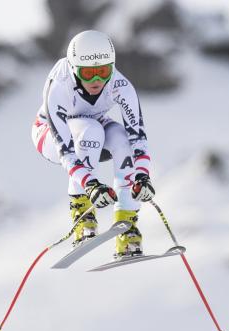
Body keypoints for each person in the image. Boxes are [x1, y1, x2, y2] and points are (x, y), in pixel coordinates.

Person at [31, 30, 155, 259]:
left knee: (121, 137)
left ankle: (126, 227)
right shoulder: (59, 84)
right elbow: (66, 151)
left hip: (94, 126)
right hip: (50, 135)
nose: (97, 80)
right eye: (88, 73)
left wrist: (143, 177)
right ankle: (82, 216)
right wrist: (90, 185)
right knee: (92, 131)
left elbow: (139, 138)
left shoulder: (120, 84)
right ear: (74, 69)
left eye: (103, 72)